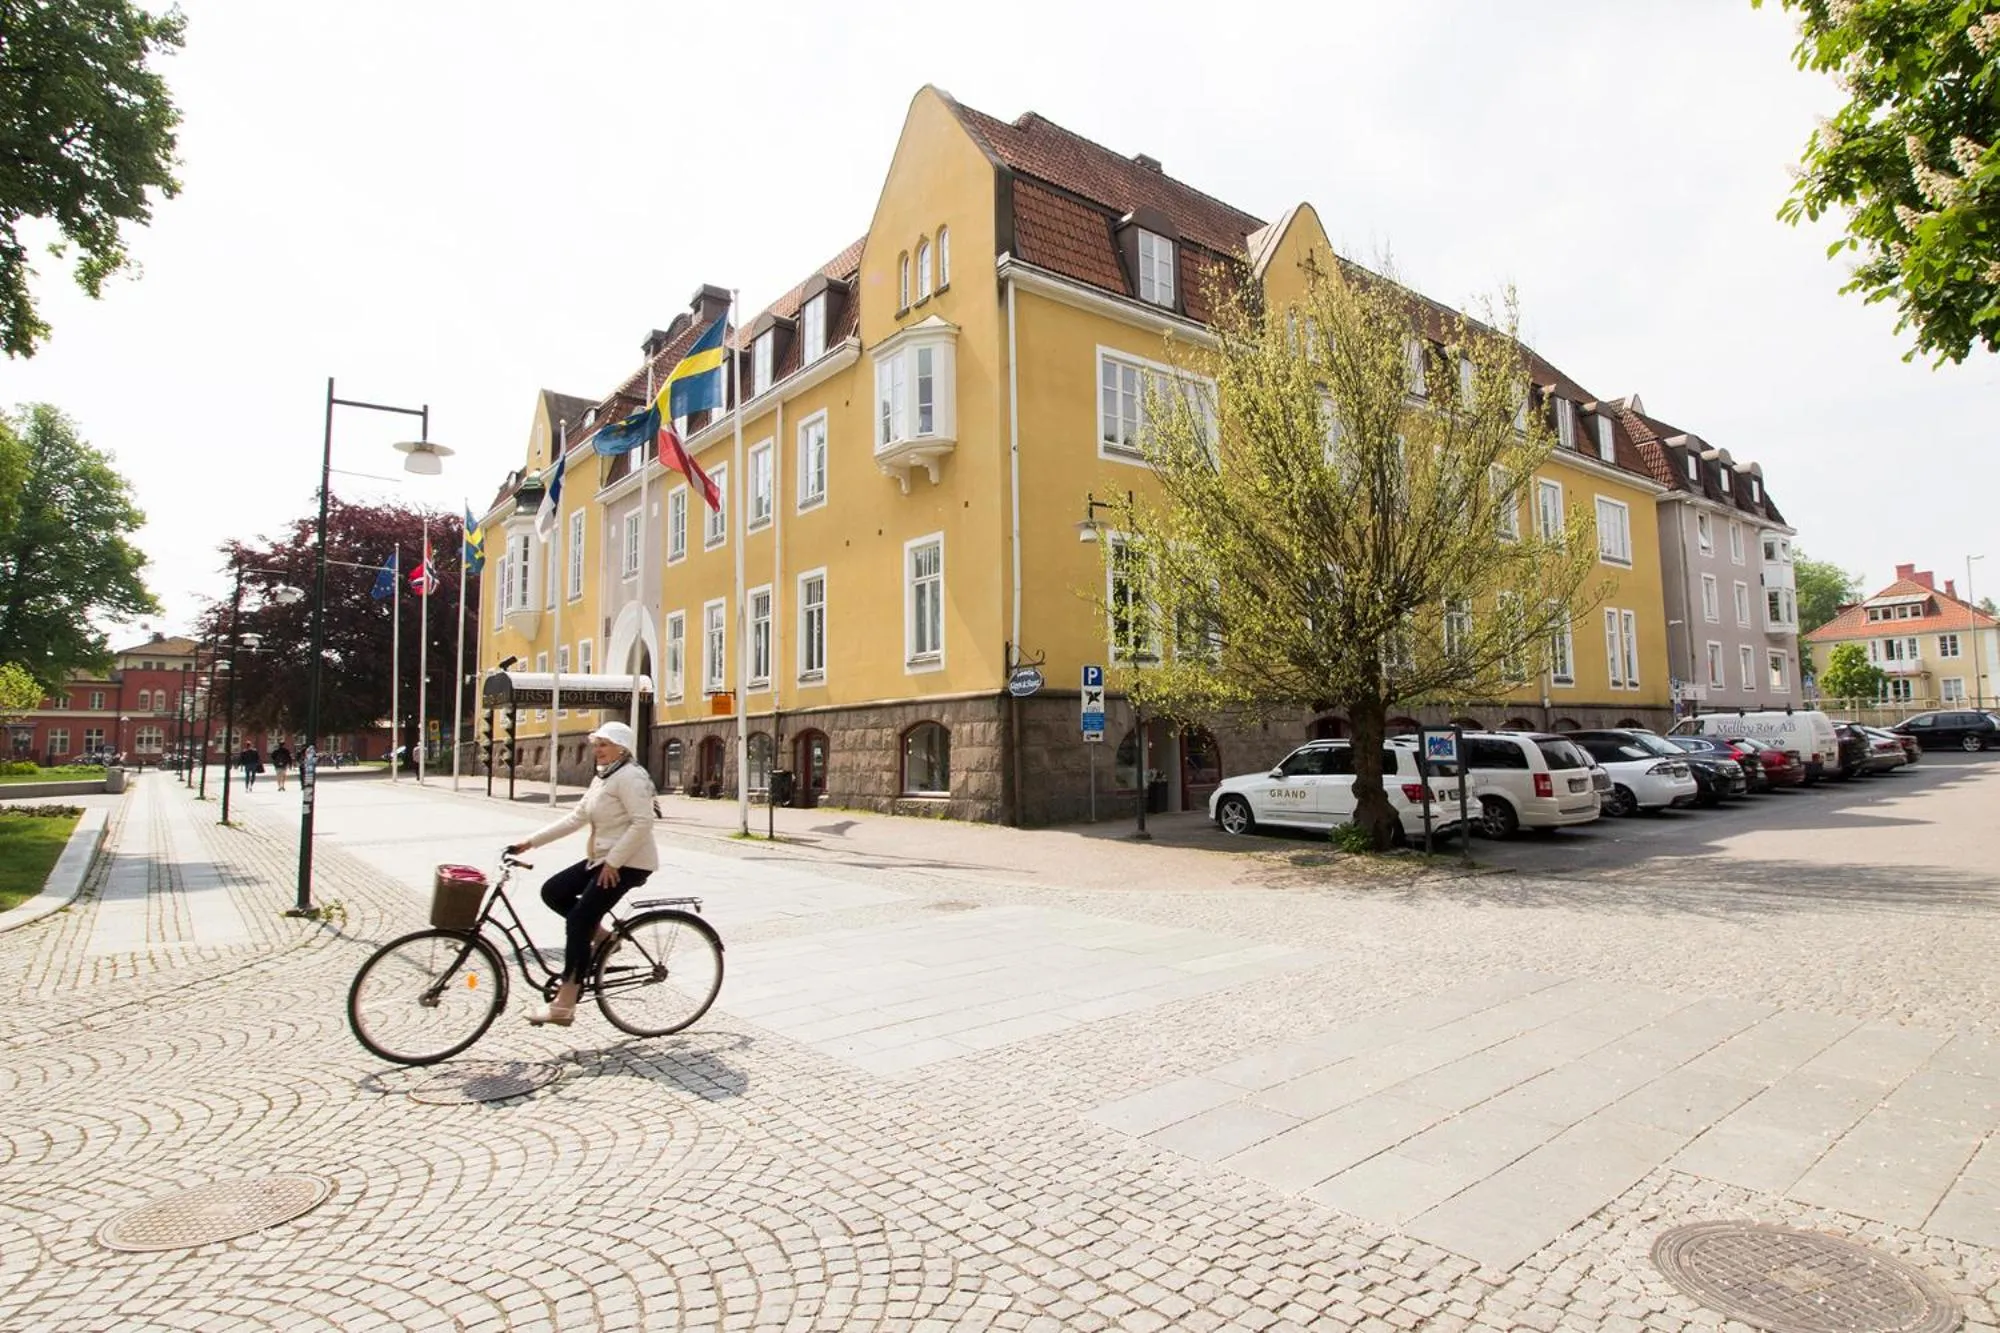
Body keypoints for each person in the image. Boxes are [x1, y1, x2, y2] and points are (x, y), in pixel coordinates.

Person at [505, 721, 658, 1026]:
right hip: (602, 858)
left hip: (628, 862)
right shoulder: (603, 777)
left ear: (621, 748)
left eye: (604, 744)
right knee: (553, 891)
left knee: (578, 920)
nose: (597, 750)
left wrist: (614, 862)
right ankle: (604, 938)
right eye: (596, 744)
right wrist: (529, 843)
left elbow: (643, 822)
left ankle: (565, 1003)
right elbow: (576, 818)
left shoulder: (631, 777)